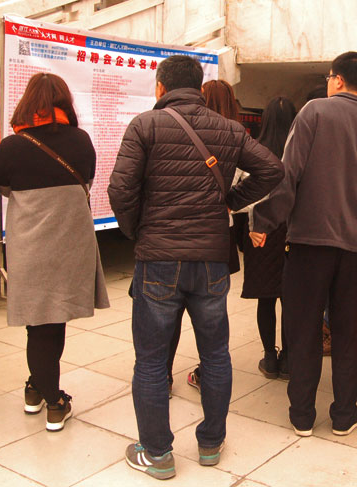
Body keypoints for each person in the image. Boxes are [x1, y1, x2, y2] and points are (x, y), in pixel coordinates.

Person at [108, 55, 283, 479]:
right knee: (215, 354)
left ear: (160, 87)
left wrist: (138, 231)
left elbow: (120, 189)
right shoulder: (228, 129)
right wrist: (229, 202)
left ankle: (156, 453)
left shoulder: (144, 126)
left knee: (151, 360)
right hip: (210, 259)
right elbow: (272, 169)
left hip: (158, 259)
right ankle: (210, 443)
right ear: (199, 89)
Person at [251, 51, 357, 438]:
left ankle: (302, 416)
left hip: (308, 245)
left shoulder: (314, 112)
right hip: (354, 251)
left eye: (330, 77)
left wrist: (263, 220)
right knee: (345, 331)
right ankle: (344, 415)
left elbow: (288, 176)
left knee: (304, 330)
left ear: (338, 79)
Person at [0, 73, 110, 432]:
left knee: (38, 323)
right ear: (64, 102)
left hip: (29, 245)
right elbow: (87, 180)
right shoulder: (81, 140)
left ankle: (36, 391)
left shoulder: (11, 146)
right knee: (53, 322)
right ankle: (54, 402)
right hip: (68, 244)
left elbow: (4, 188)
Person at [183, 79, 245, 392]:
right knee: (213, 310)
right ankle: (209, 370)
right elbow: (264, 174)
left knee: (171, 309)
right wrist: (231, 202)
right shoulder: (236, 133)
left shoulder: (186, 130)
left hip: (180, 232)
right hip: (221, 232)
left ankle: (164, 374)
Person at [235, 96, 297, 380]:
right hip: (292, 232)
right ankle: (288, 359)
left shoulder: (254, 152)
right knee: (290, 298)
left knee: (266, 297)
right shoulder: (298, 151)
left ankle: (270, 357)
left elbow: (241, 194)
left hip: (259, 232)